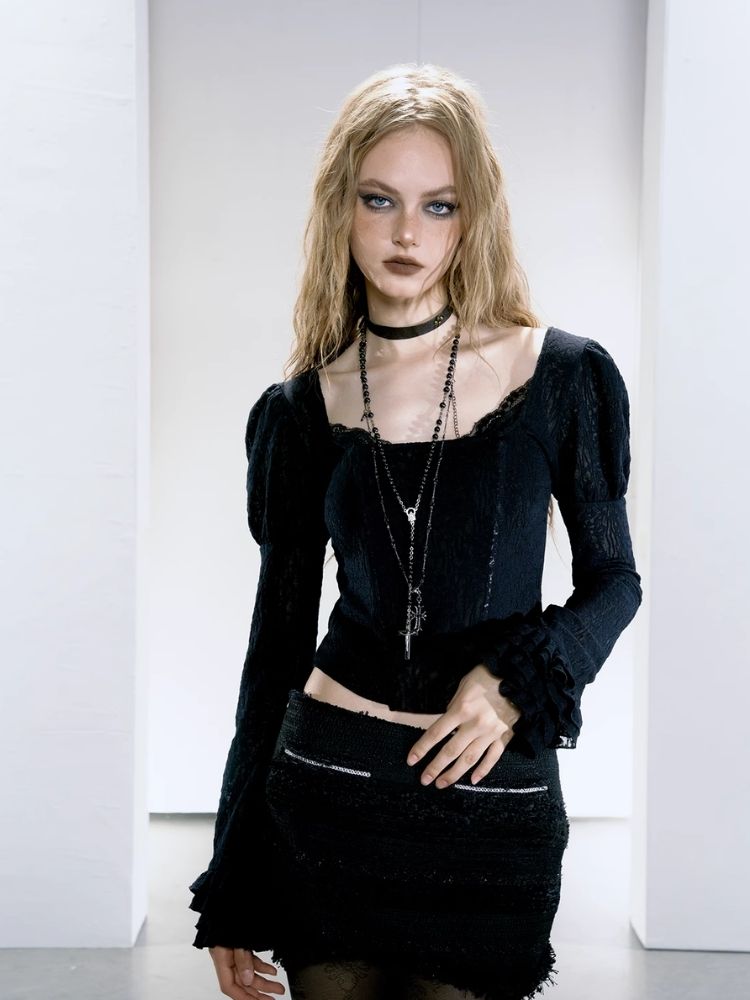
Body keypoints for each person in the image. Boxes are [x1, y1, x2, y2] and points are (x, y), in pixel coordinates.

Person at [188, 63, 642, 1000]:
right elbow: (274, 650)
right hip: (328, 791)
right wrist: (233, 874)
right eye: (380, 200)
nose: (407, 233)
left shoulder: (562, 376)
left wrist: (517, 683)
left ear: (473, 218)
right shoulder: (299, 411)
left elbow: (615, 582)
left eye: (440, 206)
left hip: (491, 799)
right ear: (341, 209)